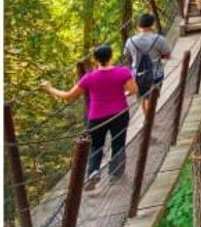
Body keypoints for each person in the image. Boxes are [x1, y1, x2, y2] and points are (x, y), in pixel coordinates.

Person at [41, 44, 136, 190]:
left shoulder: (89, 78)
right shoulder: (123, 72)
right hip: (119, 114)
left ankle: (93, 172)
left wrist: (49, 88)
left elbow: (68, 96)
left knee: (96, 146)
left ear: (95, 59)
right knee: (118, 143)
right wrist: (122, 94)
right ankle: (115, 175)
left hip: (96, 117)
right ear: (111, 56)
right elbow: (133, 90)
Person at [124, 13, 171, 116]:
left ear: (139, 26)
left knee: (142, 97)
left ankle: (146, 117)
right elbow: (167, 55)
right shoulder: (159, 39)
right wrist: (158, 56)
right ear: (152, 25)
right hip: (156, 73)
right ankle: (150, 118)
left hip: (138, 74)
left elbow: (127, 55)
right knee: (152, 97)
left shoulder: (130, 41)